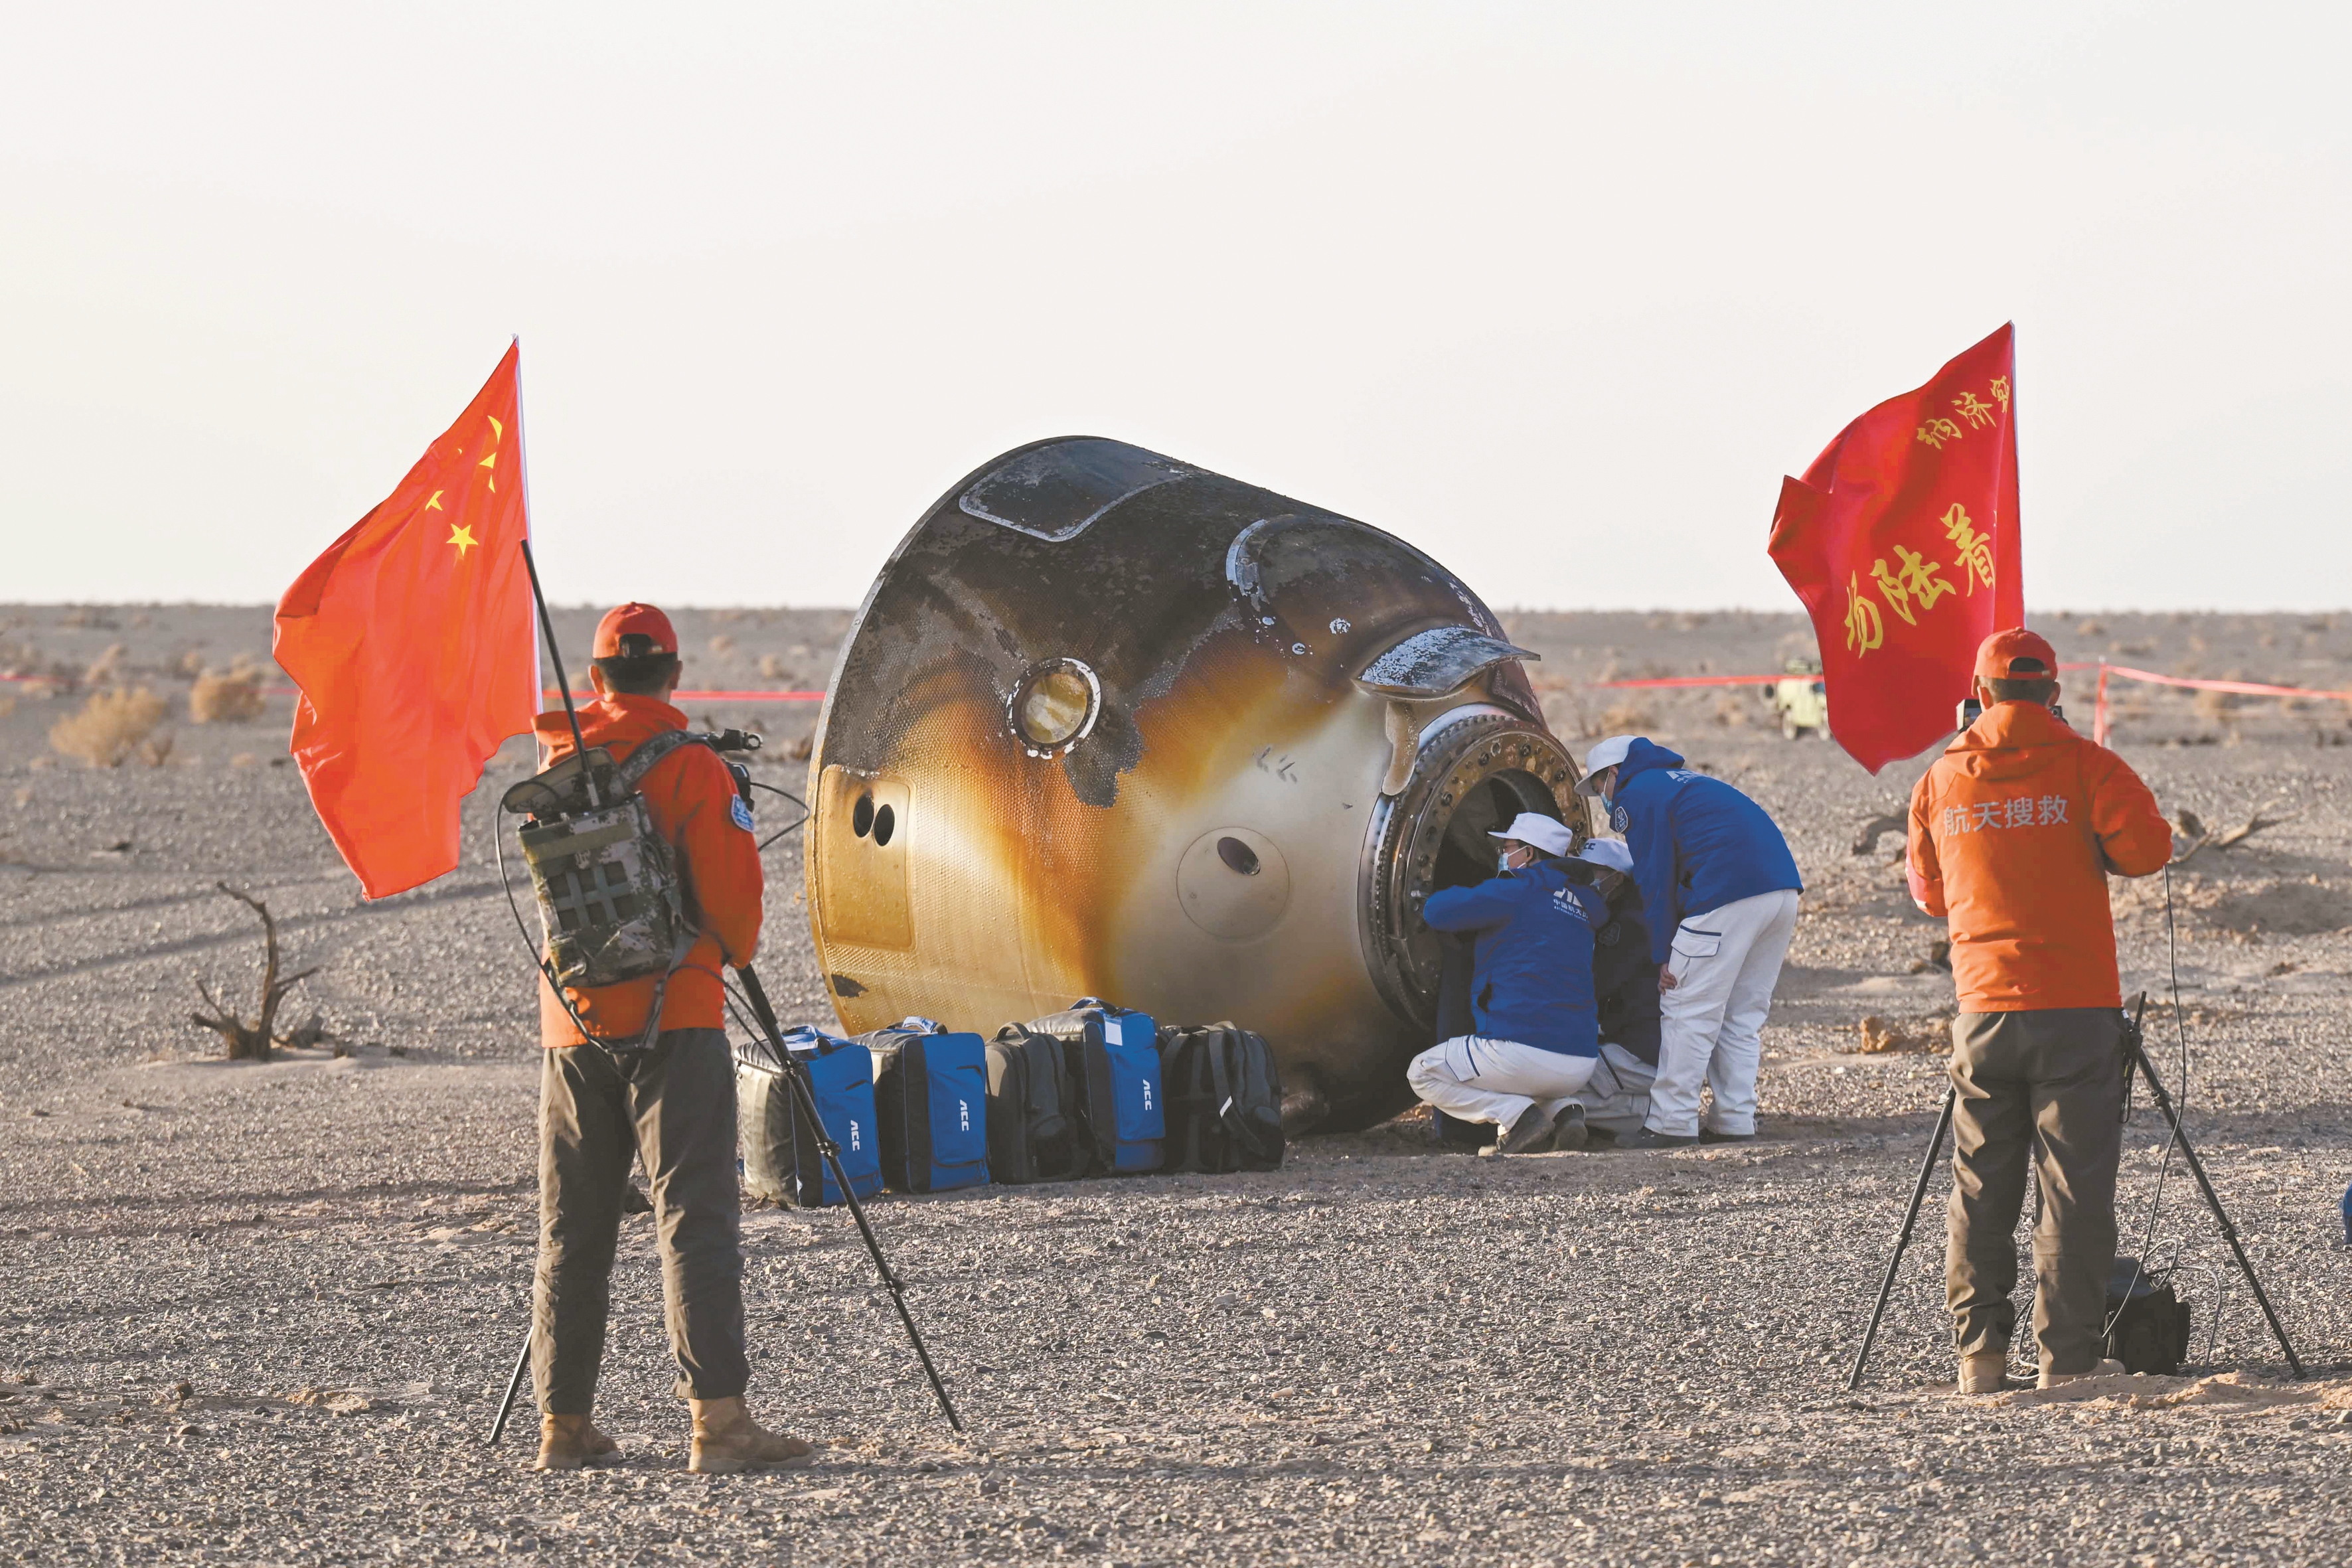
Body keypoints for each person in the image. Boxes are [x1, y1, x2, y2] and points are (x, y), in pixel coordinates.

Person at [526, 603, 809, 1474]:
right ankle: (718, 1425)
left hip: (572, 1021)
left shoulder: (557, 765)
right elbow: (734, 923)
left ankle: (562, 1425)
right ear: (675, 674)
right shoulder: (692, 768)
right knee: (694, 1214)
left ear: (595, 679)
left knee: (572, 1226)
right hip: (675, 1015)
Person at [1908, 628, 2171, 1393]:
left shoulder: (1941, 776)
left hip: (1982, 1011)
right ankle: (2068, 1361)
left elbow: (1928, 895)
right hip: (2076, 1009)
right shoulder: (2089, 765)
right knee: (2075, 1192)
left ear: (1980, 693)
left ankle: (1980, 1359)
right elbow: (2148, 851)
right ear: (2053, 692)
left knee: (1980, 1189)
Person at [1575, 735, 1802, 1148]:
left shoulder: (1637, 793)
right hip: (1781, 892)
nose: (1602, 798)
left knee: (1686, 1009)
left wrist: (1663, 953)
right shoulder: (1685, 782)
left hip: (1726, 894)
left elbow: (1654, 878)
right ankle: (1734, 1120)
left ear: (1614, 773)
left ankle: (1671, 1123)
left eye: (1599, 785)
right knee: (1740, 1016)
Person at [1405, 813, 1608, 1154]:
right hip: (1581, 1061)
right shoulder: (1585, 907)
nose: (1503, 854)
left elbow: (1438, 911)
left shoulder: (1516, 890)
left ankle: (1517, 1118)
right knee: (1526, 1075)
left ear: (1528, 853)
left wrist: (1435, 893)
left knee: (1422, 1072)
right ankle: (1564, 1111)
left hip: (1522, 1051)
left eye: (1508, 848)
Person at [1562, 838, 1663, 1144]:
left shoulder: (1630, 924)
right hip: (1636, 1047)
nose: (1585, 880)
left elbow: (1597, 984)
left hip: (1637, 1052)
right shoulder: (1624, 912)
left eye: (1593, 872)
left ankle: (1645, 1113)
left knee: (1550, 1086)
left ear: (1617, 879)